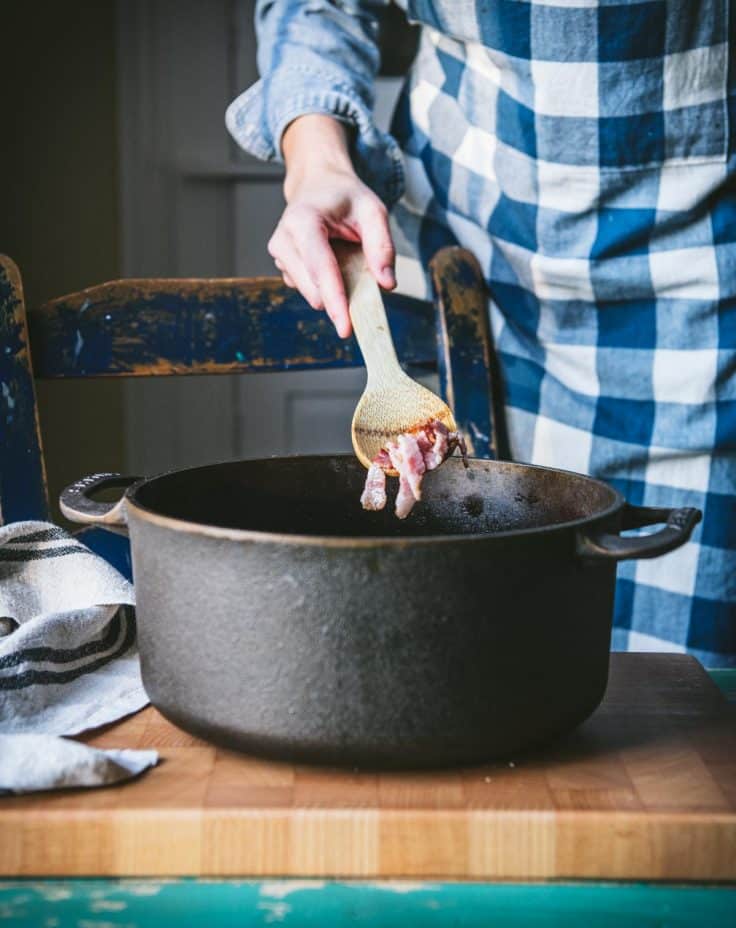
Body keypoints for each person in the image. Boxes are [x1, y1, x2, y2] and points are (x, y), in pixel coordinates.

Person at [226, 1, 736, 667]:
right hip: (476, 271)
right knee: (494, 658)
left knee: (684, 701)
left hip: (705, 297)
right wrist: (316, 160)